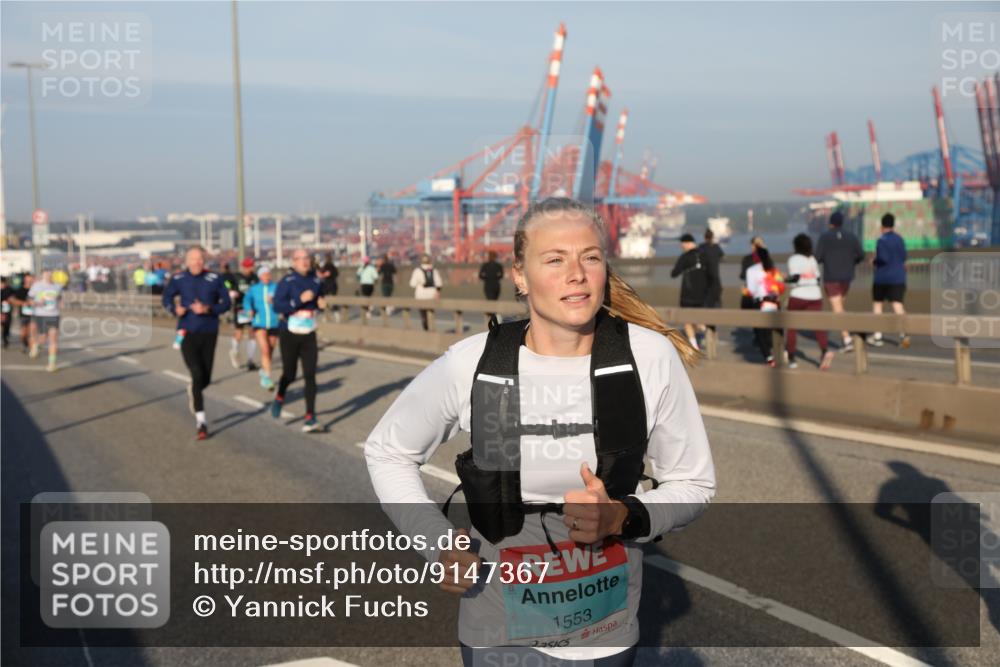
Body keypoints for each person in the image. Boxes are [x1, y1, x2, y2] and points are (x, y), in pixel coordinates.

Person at [364, 198, 715, 666]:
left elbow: (694, 483)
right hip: (498, 631)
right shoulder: (475, 364)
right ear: (520, 276)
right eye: (555, 259)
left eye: (590, 256)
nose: (577, 273)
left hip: (605, 635)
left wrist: (622, 518)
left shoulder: (647, 358)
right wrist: (439, 544)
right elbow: (387, 451)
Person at [161, 246, 232, 440]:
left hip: (209, 331)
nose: (197, 263)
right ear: (186, 261)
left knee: (206, 378)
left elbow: (226, 303)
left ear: (205, 260)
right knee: (196, 372)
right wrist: (176, 309)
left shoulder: (214, 279)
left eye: (200, 259)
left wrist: (209, 308)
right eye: (193, 259)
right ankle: (201, 422)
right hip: (187, 331)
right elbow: (166, 298)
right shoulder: (178, 279)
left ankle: (194, 389)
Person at [271, 248, 325, 433]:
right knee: (290, 374)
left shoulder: (316, 280)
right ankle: (280, 396)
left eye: (306, 258)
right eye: (300, 259)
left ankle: (310, 416)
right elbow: (277, 306)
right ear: (293, 262)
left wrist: (321, 305)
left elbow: (319, 301)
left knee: (310, 374)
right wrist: (298, 300)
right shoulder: (287, 282)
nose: (304, 261)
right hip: (289, 332)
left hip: (309, 332)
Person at [815, 211, 864, 352]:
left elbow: (817, 257)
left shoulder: (825, 237)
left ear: (830, 222)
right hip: (847, 277)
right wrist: (852, 262)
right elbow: (861, 254)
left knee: (837, 309)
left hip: (831, 277)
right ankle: (847, 332)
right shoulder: (851, 236)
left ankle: (847, 338)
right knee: (840, 305)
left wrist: (828, 259)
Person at [786, 234, 834, 370]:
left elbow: (794, 278)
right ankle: (824, 350)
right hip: (815, 295)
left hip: (798, 295)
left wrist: (783, 280)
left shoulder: (793, 259)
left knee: (791, 326)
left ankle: (791, 357)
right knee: (817, 325)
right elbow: (818, 279)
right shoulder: (812, 259)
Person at [869, 213, 910, 348]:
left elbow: (883, 258)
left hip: (882, 278)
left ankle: (877, 336)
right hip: (898, 277)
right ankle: (904, 335)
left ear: (882, 225)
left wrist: (874, 260)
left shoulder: (882, 240)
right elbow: (904, 256)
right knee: (897, 306)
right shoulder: (899, 239)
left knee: (878, 305)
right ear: (893, 224)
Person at [744, 247, 786, 366]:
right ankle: (783, 352)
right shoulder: (773, 269)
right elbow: (780, 287)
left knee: (760, 332)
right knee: (777, 328)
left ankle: (769, 357)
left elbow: (751, 290)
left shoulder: (751, 270)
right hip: (775, 302)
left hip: (761, 303)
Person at [670, 233, 710, 350]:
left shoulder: (684, 257)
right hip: (703, 293)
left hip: (688, 293)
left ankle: (693, 345)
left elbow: (674, 273)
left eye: (682, 244)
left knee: (687, 319)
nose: (681, 246)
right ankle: (703, 328)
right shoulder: (704, 255)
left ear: (686, 243)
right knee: (699, 316)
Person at [244, 265, 280, 391]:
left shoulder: (276, 287)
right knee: (264, 349)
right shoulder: (254, 289)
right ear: (259, 276)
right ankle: (267, 378)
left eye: (268, 274)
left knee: (270, 349)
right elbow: (246, 300)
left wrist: (275, 301)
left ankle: (264, 370)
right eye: (263, 274)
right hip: (259, 322)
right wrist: (249, 310)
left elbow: (282, 301)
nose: (266, 276)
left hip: (274, 322)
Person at [224, 258, 259, 370]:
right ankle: (234, 351)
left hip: (253, 308)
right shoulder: (236, 277)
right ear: (243, 267)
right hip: (241, 308)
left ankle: (250, 360)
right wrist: (230, 290)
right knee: (239, 332)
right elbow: (225, 282)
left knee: (253, 333)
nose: (250, 268)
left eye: (252, 266)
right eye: (248, 266)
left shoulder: (255, 278)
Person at [27, 270, 63, 371]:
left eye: (50, 274)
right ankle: (36, 345)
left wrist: (60, 303)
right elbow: (30, 299)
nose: (49, 276)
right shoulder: (37, 286)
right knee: (43, 338)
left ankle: (52, 364)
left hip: (54, 315)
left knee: (53, 338)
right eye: (46, 274)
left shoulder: (57, 286)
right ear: (42, 275)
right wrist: (36, 302)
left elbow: (59, 297)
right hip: (40, 314)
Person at [409, 253, 442, 331]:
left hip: (420, 296)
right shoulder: (433, 270)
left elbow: (412, 284)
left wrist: (420, 282)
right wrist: (437, 292)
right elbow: (439, 283)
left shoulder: (417, 270)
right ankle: (432, 328)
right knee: (431, 312)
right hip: (432, 294)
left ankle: (426, 328)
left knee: (423, 314)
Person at [699, 228, 724, 310]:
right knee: (716, 298)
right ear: (712, 237)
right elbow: (722, 256)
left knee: (706, 299)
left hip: (705, 277)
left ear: (705, 237)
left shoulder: (701, 247)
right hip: (716, 277)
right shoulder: (716, 247)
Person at [739, 236, 766, 310]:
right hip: (760, 293)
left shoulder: (747, 259)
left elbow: (743, 275)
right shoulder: (766, 260)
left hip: (752, 292)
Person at [12, 273, 34, 353]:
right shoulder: (20, 290)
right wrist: (23, 303)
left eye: (31, 279)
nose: (29, 281)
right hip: (23, 314)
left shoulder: (35, 289)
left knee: (32, 332)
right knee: (24, 333)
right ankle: (24, 344)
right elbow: (14, 300)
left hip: (34, 314)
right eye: (28, 279)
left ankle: (32, 348)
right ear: (24, 280)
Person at [318, 253, 340, 323]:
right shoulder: (333, 266)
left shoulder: (325, 266)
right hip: (333, 284)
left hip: (327, 285)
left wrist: (324, 274)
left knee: (326, 300)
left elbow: (321, 274)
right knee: (334, 300)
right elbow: (337, 274)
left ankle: (327, 316)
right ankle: (336, 314)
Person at [1, 276, 12, 349]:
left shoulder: (9, 289)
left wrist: (9, 301)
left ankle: (5, 338)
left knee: (6, 325)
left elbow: (13, 298)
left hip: (6, 310)